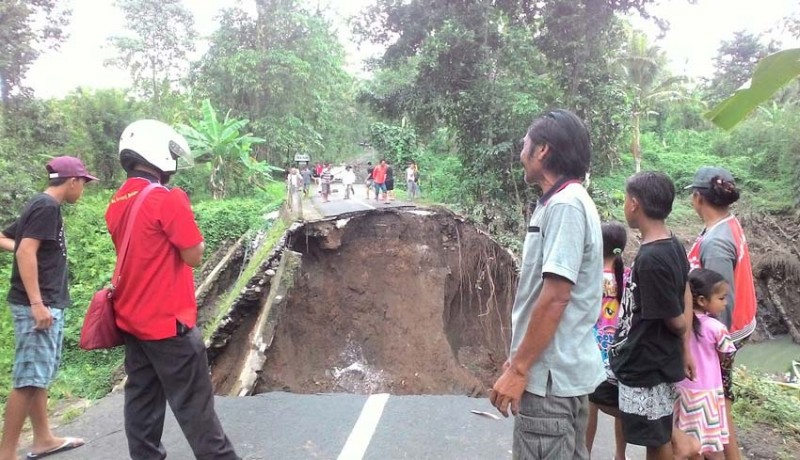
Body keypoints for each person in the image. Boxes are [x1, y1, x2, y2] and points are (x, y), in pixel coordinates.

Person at [106, 119, 239, 460]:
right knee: (196, 407)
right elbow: (193, 255)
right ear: (158, 153)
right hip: (169, 324)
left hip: (132, 320)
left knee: (142, 403)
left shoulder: (118, 201)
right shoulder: (168, 198)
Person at [490, 109, 605, 460]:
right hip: (557, 376)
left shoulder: (566, 206)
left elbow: (556, 297)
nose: (520, 151)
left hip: (549, 384)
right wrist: (515, 362)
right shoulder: (560, 202)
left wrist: (520, 368)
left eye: (524, 143)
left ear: (542, 151)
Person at [0, 157, 96, 460]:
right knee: (28, 378)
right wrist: (37, 302)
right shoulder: (46, 207)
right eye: (83, 183)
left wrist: (33, 253)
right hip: (39, 304)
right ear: (73, 181)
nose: (83, 189)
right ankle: (6, 454)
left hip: (46, 300)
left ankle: (43, 439)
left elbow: (12, 241)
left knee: (38, 375)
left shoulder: (39, 204)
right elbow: (27, 250)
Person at [606, 171, 693, 460]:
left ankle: (686, 446)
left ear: (633, 204)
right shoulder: (672, 243)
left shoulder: (652, 259)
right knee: (654, 431)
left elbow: (674, 316)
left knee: (655, 440)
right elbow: (686, 294)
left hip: (646, 363)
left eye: (624, 200)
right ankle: (680, 442)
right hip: (643, 358)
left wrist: (683, 337)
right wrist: (685, 347)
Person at [686, 166, 756, 460]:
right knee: (721, 403)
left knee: (715, 404)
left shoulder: (716, 243)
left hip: (722, 332)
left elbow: (718, 302)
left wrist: (708, 346)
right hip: (739, 325)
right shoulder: (726, 223)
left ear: (699, 198)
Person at [675, 269, 736, 460]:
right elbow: (727, 354)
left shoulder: (680, 323)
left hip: (683, 390)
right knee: (711, 445)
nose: (725, 303)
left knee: (689, 441)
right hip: (708, 394)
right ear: (702, 300)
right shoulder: (716, 328)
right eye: (721, 298)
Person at [587, 221, 628, 460]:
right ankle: (620, 455)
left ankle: (585, 452)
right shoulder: (627, 275)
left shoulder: (591, 277)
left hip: (592, 349)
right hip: (619, 352)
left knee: (589, 404)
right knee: (621, 408)